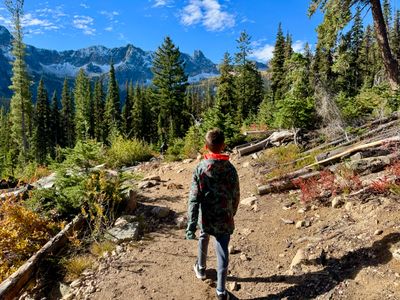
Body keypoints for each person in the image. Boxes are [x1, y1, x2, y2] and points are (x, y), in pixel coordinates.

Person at [186, 128, 240, 300]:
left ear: (205, 146)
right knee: (222, 250)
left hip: (206, 217)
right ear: (223, 146)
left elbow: (193, 200)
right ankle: (221, 291)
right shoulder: (230, 169)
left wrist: (191, 225)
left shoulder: (200, 169)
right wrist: (231, 213)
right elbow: (236, 195)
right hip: (224, 217)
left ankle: (201, 269)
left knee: (204, 236)